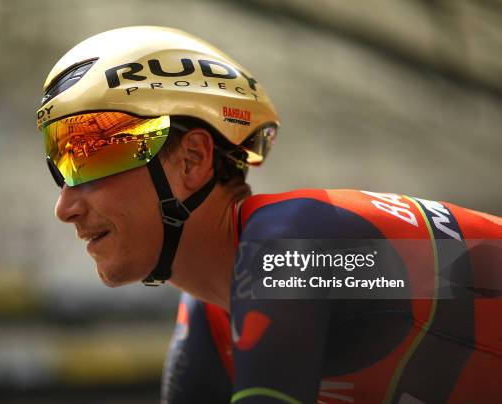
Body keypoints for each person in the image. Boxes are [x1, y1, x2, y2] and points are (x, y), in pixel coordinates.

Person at [36, 26, 502, 404]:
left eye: (94, 158)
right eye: (63, 166)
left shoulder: (291, 248)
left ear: (192, 160)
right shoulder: (210, 311)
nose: (65, 207)